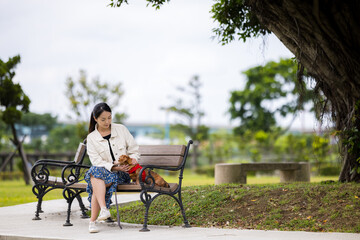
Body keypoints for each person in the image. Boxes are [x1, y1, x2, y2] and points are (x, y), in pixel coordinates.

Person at [84, 102, 140, 233]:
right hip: (107, 173)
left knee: (94, 176)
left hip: (124, 173)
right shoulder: (91, 138)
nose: (107, 121)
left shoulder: (121, 129)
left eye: (109, 117)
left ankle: (95, 219)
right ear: (95, 118)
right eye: (103, 119)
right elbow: (96, 161)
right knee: (97, 175)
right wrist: (114, 167)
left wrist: (133, 159)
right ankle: (100, 213)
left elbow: (134, 149)